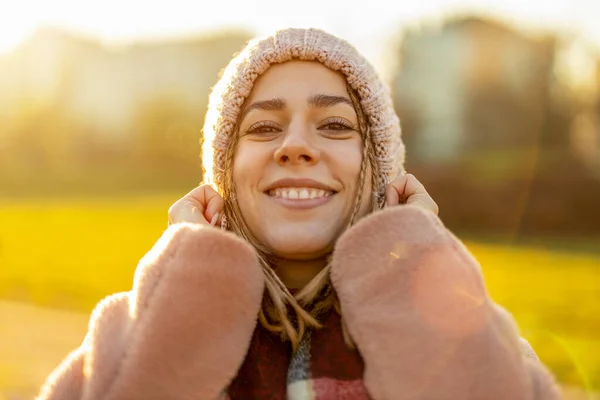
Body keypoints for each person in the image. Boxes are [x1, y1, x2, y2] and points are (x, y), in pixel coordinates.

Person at [36, 28, 561, 400]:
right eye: (263, 128)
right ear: (223, 178)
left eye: (334, 126)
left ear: (380, 173)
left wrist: (420, 273)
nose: (295, 146)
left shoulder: (483, 341)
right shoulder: (128, 333)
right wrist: (189, 288)